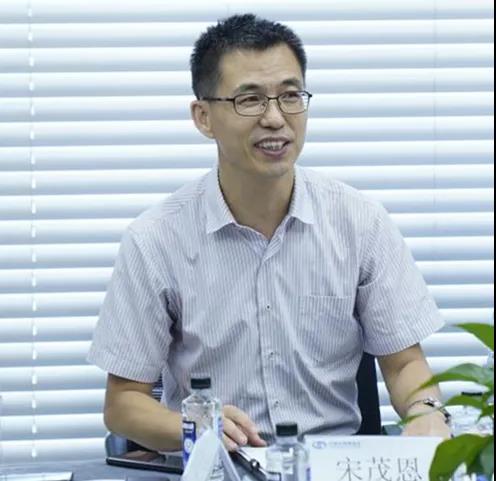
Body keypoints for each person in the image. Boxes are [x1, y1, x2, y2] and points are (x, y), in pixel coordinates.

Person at [88, 14, 451, 453]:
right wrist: (196, 427)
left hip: (331, 464)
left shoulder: (360, 223)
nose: (276, 118)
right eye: (250, 100)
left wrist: (428, 413)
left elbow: (405, 363)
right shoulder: (155, 240)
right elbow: (124, 403)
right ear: (203, 117)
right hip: (220, 465)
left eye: (290, 96)